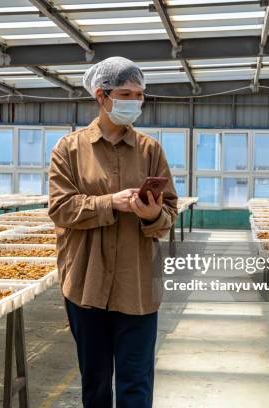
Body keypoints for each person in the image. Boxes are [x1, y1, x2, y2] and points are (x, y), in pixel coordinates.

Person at [47, 56, 178, 408]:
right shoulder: (69, 149)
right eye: (126, 93)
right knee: (96, 383)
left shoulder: (151, 150)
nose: (134, 101)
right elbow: (60, 209)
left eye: (139, 94)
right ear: (102, 97)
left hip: (137, 286)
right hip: (86, 283)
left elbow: (169, 213)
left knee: (136, 384)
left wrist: (152, 215)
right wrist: (110, 203)